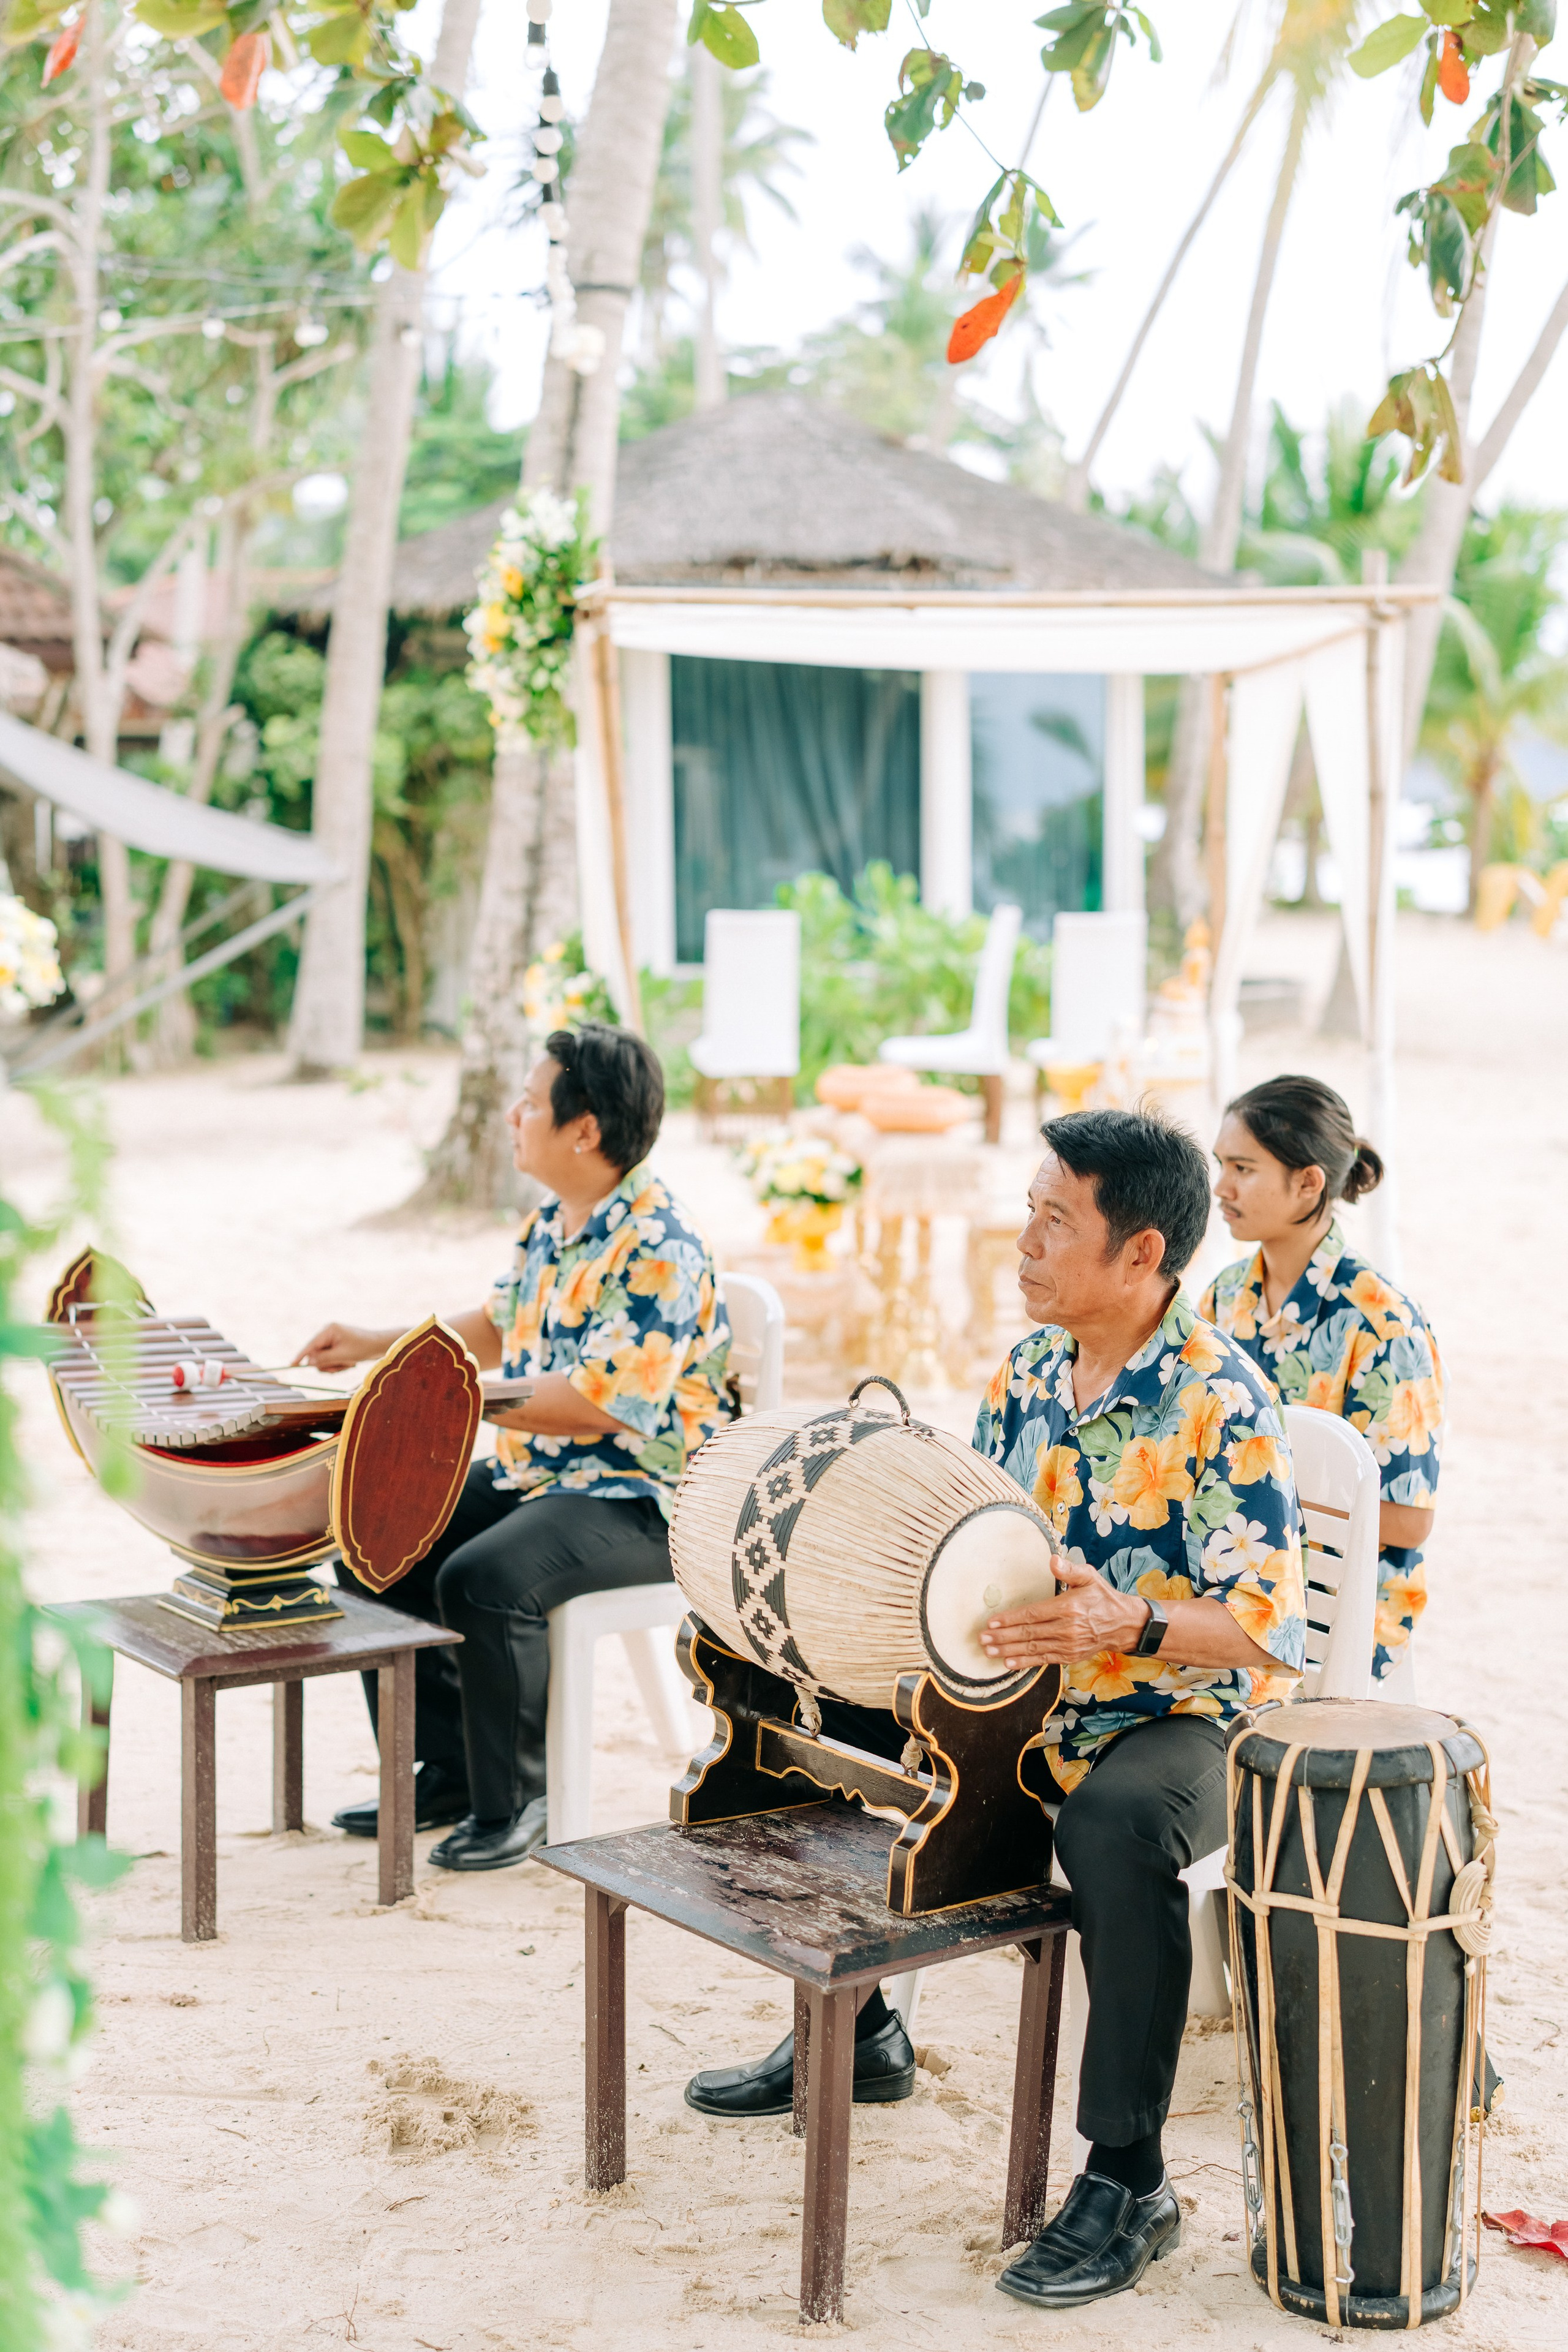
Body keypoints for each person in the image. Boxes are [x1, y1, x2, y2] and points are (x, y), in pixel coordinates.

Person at [685, 1107, 1305, 2313]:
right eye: (1026, 1210)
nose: (1021, 1241)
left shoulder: (1220, 1401)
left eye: (1053, 1220)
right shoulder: (1029, 1363)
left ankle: (1128, 2179)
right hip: (1018, 1690)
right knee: (826, 1705)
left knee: (1112, 1832)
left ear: (1141, 1254)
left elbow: (1267, 1629)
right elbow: (968, 1536)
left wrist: (1118, 1621)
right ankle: (858, 2029)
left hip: (1172, 1716)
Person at [294, 1023, 734, 1871]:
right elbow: (497, 1326)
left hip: (645, 1496)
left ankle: (519, 1800)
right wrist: (380, 1347)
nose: (513, 1115)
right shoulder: (555, 1220)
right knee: (375, 1535)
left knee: (484, 1580)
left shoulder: (660, 1245)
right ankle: (451, 1772)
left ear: (585, 1129)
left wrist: (444, 1406)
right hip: (549, 1472)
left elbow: (601, 1406)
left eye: (530, 1102)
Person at [1200, 1074, 1442, 1683]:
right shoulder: (1222, 1300)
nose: (1221, 1188)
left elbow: (1409, 1520)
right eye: (1220, 1165)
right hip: (1233, 1572)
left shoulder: (1383, 1325)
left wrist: (1265, 1506)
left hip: (1344, 1604)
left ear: (1308, 1182)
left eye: (1243, 1168)